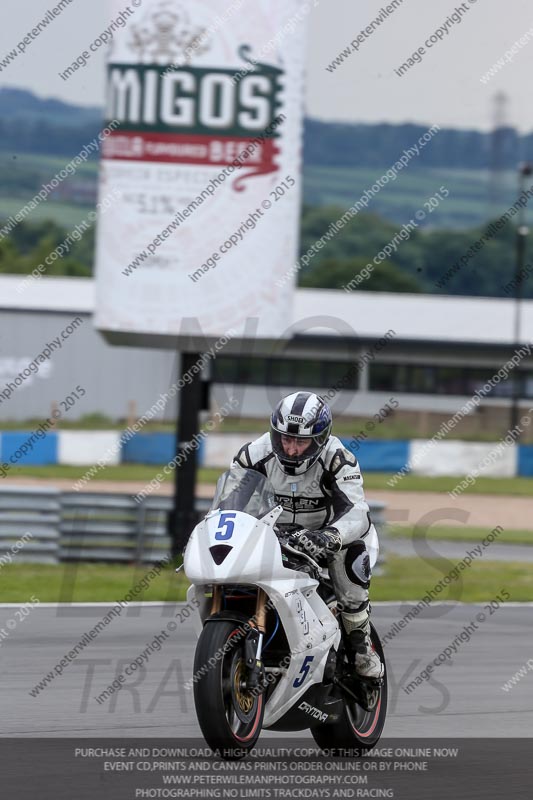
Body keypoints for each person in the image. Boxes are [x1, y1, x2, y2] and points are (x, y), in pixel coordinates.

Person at [231, 391, 383, 679]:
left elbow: (357, 512)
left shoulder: (338, 459)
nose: (291, 450)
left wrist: (330, 536)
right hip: (273, 537)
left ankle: (361, 649)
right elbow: (231, 503)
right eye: (285, 439)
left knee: (350, 570)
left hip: (326, 540)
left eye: (301, 442)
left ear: (320, 439)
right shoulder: (253, 455)